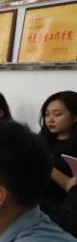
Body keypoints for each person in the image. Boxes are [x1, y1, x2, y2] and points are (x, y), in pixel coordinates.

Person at [39, 90, 77, 221]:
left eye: (57, 114)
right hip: (36, 206)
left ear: (75, 116)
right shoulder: (39, 142)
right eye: (47, 114)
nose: (50, 119)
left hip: (64, 211)